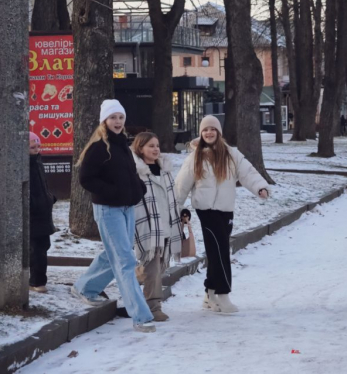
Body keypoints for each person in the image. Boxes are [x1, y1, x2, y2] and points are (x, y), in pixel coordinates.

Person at [71, 99, 156, 333]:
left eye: (120, 117)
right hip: (108, 210)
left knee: (115, 255)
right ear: (104, 121)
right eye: (113, 118)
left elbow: (128, 174)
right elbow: (86, 179)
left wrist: (138, 188)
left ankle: (84, 287)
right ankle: (140, 316)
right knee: (126, 261)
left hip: (127, 208)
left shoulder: (122, 145)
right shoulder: (99, 147)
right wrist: (114, 192)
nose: (117, 121)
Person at [175, 115, 269, 314]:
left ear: (219, 133)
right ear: (201, 134)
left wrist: (260, 187)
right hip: (205, 209)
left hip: (226, 209)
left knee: (215, 250)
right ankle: (223, 294)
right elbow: (182, 184)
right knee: (221, 250)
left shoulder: (231, 154)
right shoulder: (195, 157)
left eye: (213, 129)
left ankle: (209, 293)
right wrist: (174, 206)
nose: (209, 133)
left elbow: (248, 172)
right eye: (205, 130)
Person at [131, 132, 184, 322]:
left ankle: (134, 276)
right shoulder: (135, 171)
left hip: (166, 224)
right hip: (147, 226)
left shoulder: (165, 170)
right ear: (140, 148)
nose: (155, 149)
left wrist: (180, 214)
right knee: (153, 268)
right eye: (150, 146)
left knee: (158, 267)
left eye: (157, 145)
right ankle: (154, 307)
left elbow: (173, 197)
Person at [28, 132, 57, 293]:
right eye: (33, 147)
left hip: (43, 212)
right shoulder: (27, 163)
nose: (37, 150)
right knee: (36, 249)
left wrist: (49, 198)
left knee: (43, 246)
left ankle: (38, 280)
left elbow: (42, 184)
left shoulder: (37, 162)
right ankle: (37, 281)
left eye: (38, 146)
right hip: (35, 213)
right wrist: (38, 203)